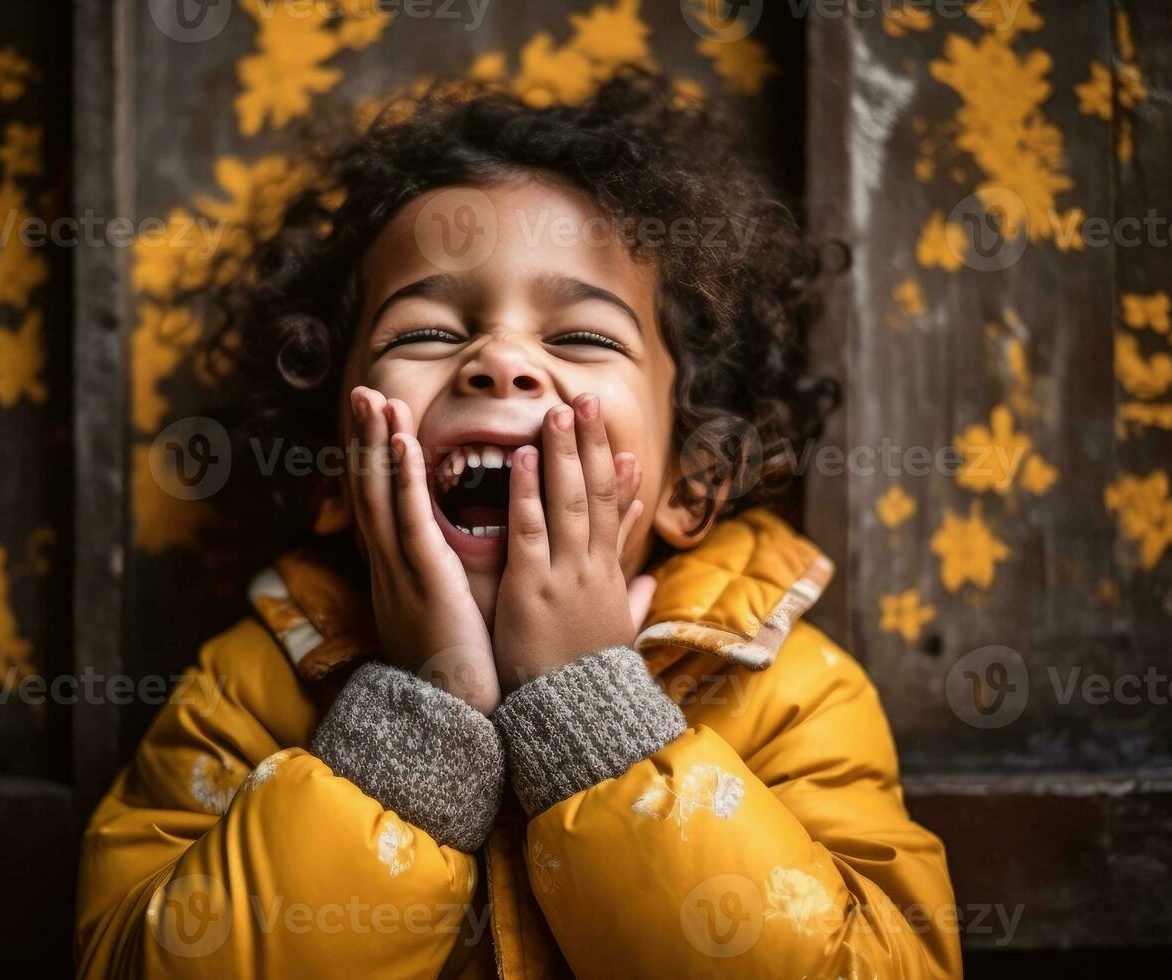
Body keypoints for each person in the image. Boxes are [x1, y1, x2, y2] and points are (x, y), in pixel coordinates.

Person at [75, 70, 961, 978]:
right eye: (424, 334)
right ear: (335, 469)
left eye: (581, 338)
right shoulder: (247, 690)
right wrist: (413, 731)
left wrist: (593, 716)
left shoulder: (790, 691)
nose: (499, 360)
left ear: (690, 482)